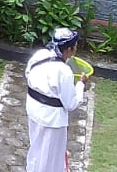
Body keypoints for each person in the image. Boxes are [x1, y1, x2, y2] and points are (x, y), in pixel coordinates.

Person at [25, 28, 89, 172]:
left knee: (36, 147)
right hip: (52, 120)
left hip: (34, 110)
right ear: (70, 49)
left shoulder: (39, 55)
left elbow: (28, 73)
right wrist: (80, 85)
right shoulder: (64, 71)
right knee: (49, 158)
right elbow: (71, 103)